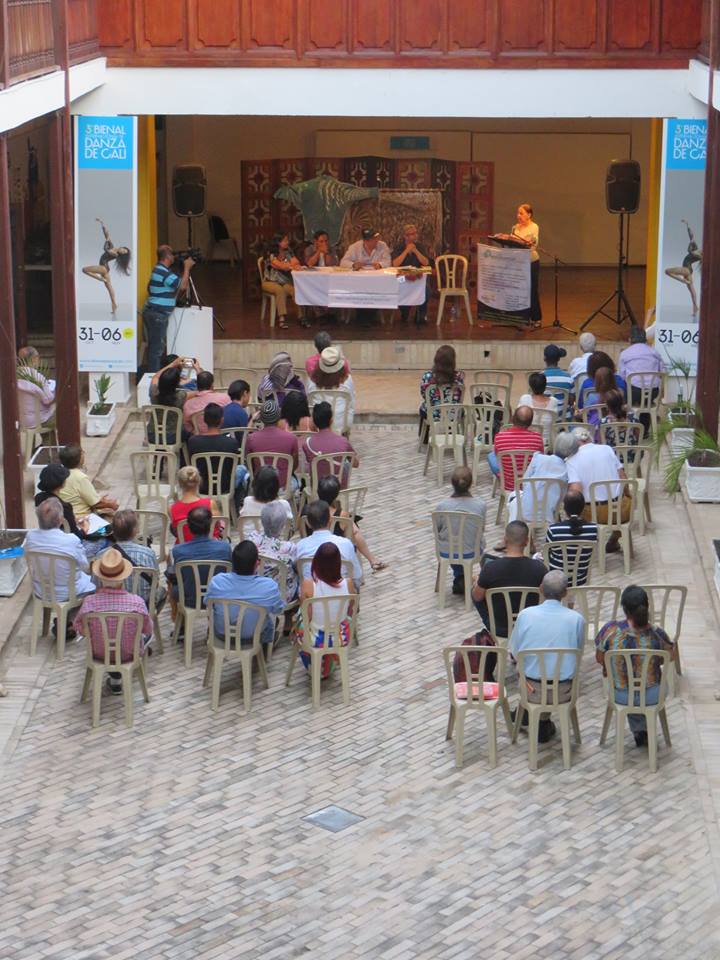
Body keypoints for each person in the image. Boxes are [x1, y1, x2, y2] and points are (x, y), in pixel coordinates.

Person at [595, 585, 676, 747]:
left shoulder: (610, 631)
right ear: (647, 607)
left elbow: (599, 658)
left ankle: (639, 729)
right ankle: (642, 729)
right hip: (653, 695)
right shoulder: (658, 634)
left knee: (631, 689)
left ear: (625, 609)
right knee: (642, 686)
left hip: (621, 694)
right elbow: (670, 657)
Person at [510, 570, 585, 743]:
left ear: (541, 589)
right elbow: (578, 653)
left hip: (531, 690)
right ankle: (542, 722)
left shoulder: (525, 615)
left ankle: (535, 718)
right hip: (564, 691)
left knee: (523, 668)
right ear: (565, 593)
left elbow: (514, 652)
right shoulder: (576, 619)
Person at [73, 548, 153, 695]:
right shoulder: (137, 602)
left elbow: (79, 627)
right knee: (145, 635)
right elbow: (147, 629)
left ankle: (115, 680)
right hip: (129, 654)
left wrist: (92, 632)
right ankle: (124, 678)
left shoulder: (90, 602)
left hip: (98, 654)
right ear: (124, 577)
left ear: (100, 577)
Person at [471, 521, 546, 638]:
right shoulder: (539, 568)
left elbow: (477, 597)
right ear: (527, 541)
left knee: (475, 590)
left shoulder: (490, 568)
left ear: (505, 540)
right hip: (529, 626)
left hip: (499, 628)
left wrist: (477, 583)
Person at [206, 540, 284, 650]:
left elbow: (208, 604)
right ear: (257, 564)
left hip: (222, 634)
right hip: (253, 637)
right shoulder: (269, 586)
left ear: (232, 562)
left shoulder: (217, 581)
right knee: (270, 619)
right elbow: (278, 609)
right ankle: (263, 650)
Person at [294, 542, 354, 677]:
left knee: (299, 621)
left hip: (315, 639)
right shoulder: (348, 583)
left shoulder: (308, 585)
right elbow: (350, 610)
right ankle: (330, 662)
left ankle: (316, 666)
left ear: (316, 562)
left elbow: (307, 617)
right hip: (341, 636)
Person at [566, 426, 629, 554]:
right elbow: (623, 478)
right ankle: (613, 541)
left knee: (572, 506)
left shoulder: (571, 460)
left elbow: (576, 491)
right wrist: (627, 496)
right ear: (589, 438)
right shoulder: (607, 449)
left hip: (593, 515)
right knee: (628, 499)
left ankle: (586, 540)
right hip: (621, 511)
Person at [24, 498, 96, 602]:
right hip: (70, 592)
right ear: (61, 520)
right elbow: (85, 566)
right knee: (95, 580)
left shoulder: (30, 536)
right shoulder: (72, 540)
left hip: (41, 591)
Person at [166, 506, 232, 617]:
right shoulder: (224, 547)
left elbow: (177, 575)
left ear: (189, 526)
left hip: (189, 599)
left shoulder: (178, 550)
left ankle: (179, 621)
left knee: (173, 586)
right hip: (218, 597)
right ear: (210, 525)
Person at [506, 430, 577, 527]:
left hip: (525, 511)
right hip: (548, 516)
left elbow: (525, 481)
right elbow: (561, 498)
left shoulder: (538, 458)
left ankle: (514, 529)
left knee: (514, 495)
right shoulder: (566, 470)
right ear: (571, 453)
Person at [142, 244, 195, 373]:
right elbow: (183, 286)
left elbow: (152, 288)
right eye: (172, 254)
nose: (174, 257)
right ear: (167, 256)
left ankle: (154, 375)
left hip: (154, 313)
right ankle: (153, 378)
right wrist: (187, 268)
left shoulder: (158, 270)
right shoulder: (163, 272)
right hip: (157, 315)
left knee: (155, 348)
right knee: (156, 350)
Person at [316, 475, 386, 573]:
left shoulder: (309, 510)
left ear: (318, 491)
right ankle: (372, 560)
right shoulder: (341, 514)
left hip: (314, 549)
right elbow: (351, 539)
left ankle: (372, 560)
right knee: (354, 531)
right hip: (336, 550)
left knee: (352, 528)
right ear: (337, 494)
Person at [434, 465, 487, 596]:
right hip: (471, 552)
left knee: (454, 544)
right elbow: (482, 529)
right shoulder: (480, 505)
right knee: (469, 541)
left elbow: (437, 530)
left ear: (452, 484)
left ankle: (460, 577)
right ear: (471, 483)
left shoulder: (442, 506)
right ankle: (463, 578)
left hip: (447, 552)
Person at [187, 403, 246, 507]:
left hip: (201, 486)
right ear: (222, 420)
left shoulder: (193, 441)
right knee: (242, 469)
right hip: (225, 486)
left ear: (204, 420)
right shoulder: (231, 443)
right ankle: (235, 508)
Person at [294, 500, 362, 585]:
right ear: (330, 520)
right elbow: (357, 575)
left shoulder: (300, 546)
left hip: (312, 592)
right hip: (341, 591)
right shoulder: (346, 543)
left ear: (308, 523)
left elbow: (298, 572)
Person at [108, 509, 165, 609]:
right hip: (142, 603)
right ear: (135, 531)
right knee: (162, 591)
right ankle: (150, 615)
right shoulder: (148, 553)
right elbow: (155, 581)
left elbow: (96, 585)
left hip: (112, 604)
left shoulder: (102, 555)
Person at [247, 501, 299, 602]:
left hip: (256, 591)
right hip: (280, 596)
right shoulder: (289, 548)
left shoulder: (252, 539)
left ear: (262, 521)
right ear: (283, 525)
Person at [618, 326, 665, 436]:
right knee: (646, 402)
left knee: (623, 391)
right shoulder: (655, 352)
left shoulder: (625, 354)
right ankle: (644, 431)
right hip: (653, 392)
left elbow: (622, 375)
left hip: (633, 392)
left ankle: (628, 430)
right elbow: (662, 372)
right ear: (645, 339)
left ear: (630, 339)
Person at [545, 490, 599, 586]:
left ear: (564, 508)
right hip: (580, 579)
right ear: (583, 508)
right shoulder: (593, 529)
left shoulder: (553, 529)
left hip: (556, 580)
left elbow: (548, 553)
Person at [244, 400, 299, 491]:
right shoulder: (291, 438)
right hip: (283, 488)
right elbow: (294, 465)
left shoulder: (251, 438)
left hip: (259, 487)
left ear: (261, 418)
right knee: (297, 482)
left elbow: (249, 465)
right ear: (279, 417)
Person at [81, 218, 131, 314]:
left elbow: (105, 249)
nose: (122, 251)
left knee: (84, 270)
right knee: (109, 286)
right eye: (124, 249)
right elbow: (107, 235)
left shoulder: (115, 254)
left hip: (103, 268)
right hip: (105, 269)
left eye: (124, 252)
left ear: (122, 255)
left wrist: (107, 239)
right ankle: (114, 304)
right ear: (122, 247)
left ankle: (100, 279)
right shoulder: (113, 247)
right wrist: (102, 224)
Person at [489, 406, 545, 489]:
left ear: (513, 418)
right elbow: (541, 459)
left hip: (508, 485)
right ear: (530, 422)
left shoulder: (499, 437)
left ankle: (502, 479)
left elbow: (498, 458)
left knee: (491, 455)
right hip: (529, 486)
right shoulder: (537, 438)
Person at [302, 401, 358, 484]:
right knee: (345, 464)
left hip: (317, 487)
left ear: (314, 422)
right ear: (331, 420)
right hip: (339, 487)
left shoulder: (307, 443)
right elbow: (355, 464)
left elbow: (309, 461)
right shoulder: (343, 441)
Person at [58, 444, 118, 519]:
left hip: (64, 517)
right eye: (82, 453)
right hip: (81, 518)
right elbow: (96, 503)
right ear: (80, 459)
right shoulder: (80, 478)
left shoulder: (59, 473)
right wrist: (111, 504)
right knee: (113, 519)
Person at [307, 346, 355, 433]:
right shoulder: (348, 380)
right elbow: (351, 403)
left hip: (318, 423)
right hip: (342, 423)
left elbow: (309, 402)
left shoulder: (311, 381)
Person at [392, 223, 432, 326]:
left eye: (415, 233)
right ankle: (404, 311)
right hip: (402, 277)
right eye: (411, 234)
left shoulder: (420, 246)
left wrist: (415, 251)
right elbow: (395, 264)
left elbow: (426, 263)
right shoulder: (399, 247)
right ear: (405, 236)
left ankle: (421, 315)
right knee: (399, 286)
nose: (414, 236)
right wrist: (406, 251)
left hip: (417, 277)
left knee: (426, 290)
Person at [263, 233, 304, 330]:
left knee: (294, 291)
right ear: (278, 242)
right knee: (279, 290)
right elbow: (280, 266)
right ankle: (281, 318)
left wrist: (290, 265)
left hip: (284, 281)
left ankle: (301, 316)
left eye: (287, 240)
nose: (287, 242)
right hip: (270, 281)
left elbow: (296, 262)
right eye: (285, 240)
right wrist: (291, 266)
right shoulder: (271, 253)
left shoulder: (288, 251)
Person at [169, 466, 221, 542]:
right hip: (209, 545)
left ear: (179, 483)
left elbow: (177, 531)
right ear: (199, 481)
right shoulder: (210, 503)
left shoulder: (172, 508)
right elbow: (217, 525)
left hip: (184, 547)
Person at [35, 463, 85, 539]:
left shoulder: (38, 498)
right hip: (63, 539)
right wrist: (85, 529)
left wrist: (73, 520)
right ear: (62, 483)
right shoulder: (64, 507)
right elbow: (75, 535)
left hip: (46, 535)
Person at [419, 345, 465, 428]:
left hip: (432, 414)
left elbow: (424, 394)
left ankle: (426, 434)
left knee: (423, 408)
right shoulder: (459, 377)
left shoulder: (427, 376)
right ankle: (454, 432)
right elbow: (459, 396)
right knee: (460, 410)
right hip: (453, 415)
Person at [511, 203, 541, 324]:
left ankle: (536, 318)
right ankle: (522, 318)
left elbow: (530, 243)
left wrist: (517, 241)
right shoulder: (515, 228)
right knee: (519, 290)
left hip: (531, 262)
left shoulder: (534, 227)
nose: (518, 215)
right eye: (518, 213)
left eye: (521, 213)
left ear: (529, 215)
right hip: (518, 263)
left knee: (532, 290)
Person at [664, 220, 702, 316]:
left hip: (686, 269)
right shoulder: (696, 248)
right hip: (688, 271)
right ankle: (695, 308)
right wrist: (687, 225)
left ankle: (683, 281)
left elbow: (689, 251)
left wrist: (691, 243)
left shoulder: (699, 256)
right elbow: (691, 236)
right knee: (692, 290)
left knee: (667, 271)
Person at [17, 345, 55, 429]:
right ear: (34, 358)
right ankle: (50, 438)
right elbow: (48, 400)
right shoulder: (37, 377)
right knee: (62, 412)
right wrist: (54, 392)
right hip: (38, 420)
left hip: (20, 420)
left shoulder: (14, 375)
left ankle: (38, 438)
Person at [182, 371, 231, 435]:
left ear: (197, 385)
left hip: (199, 437)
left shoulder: (188, 404)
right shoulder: (225, 398)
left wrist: (196, 432)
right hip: (222, 434)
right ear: (212, 385)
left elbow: (187, 425)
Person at [518, 372, 558, 444]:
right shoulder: (553, 401)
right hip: (546, 443)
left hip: (527, 441)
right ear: (545, 386)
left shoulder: (525, 399)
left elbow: (518, 420)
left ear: (530, 387)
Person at [599, 389, 639, 455]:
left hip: (612, 458)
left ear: (607, 406)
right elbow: (638, 437)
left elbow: (602, 444)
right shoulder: (633, 417)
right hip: (632, 456)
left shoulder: (604, 422)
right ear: (622, 403)